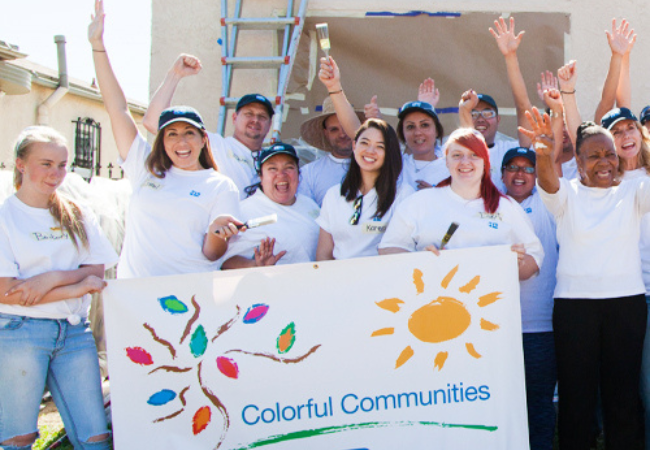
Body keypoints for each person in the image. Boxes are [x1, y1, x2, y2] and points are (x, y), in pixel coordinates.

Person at [526, 109, 650, 450]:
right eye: (594, 155)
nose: (604, 161)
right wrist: (541, 150)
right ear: (578, 163)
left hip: (626, 307)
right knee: (576, 395)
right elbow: (547, 182)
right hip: (574, 309)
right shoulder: (566, 193)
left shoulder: (634, 192)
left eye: (609, 154)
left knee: (622, 395)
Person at [89, 0, 241, 278]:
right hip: (135, 296)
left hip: (188, 299)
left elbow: (213, 255)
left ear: (203, 139)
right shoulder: (144, 171)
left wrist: (217, 231)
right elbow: (117, 108)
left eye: (188, 134)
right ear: (162, 140)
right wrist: (98, 45)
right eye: (171, 134)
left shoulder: (220, 186)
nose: (181, 143)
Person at [0, 126, 118, 450]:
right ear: (20, 164)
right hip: (18, 332)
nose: (56, 173)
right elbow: (6, 291)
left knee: (95, 437)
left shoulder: (77, 213)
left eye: (62, 164)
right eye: (46, 163)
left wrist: (49, 279)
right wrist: (74, 288)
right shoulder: (6, 216)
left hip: (74, 334)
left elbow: (95, 269)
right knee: (19, 439)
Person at [378, 127, 542, 279]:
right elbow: (388, 248)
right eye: (457, 155)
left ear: (485, 162)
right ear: (446, 161)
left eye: (474, 155)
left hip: (489, 306)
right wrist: (419, 261)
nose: (465, 162)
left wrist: (516, 263)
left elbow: (534, 256)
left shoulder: (507, 207)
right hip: (431, 305)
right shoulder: (418, 202)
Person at [142, 55, 274, 199]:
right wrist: (175, 75)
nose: (255, 120)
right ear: (234, 118)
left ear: (270, 124)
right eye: (249, 114)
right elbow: (153, 122)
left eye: (262, 116)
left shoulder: (274, 160)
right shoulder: (217, 146)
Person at [501, 146, 558, 450]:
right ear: (502, 174)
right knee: (500, 405)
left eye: (528, 168)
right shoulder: (489, 205)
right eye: (512, 167)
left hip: (540, 327)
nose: (519, 173)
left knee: (538, 404)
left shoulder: (550, 204)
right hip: (495, 329)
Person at [315, 118, 413, 260]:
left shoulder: (403, 194)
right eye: (364, 143)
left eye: (380, 146)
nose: (370, 151)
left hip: (384, 278)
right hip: (339, 279)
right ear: (354, 146)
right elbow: (324, 254)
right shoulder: (334, 194)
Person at [222, 143, 320, 268]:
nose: (281, 174)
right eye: (272, 169)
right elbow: (226, 262)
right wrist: (256, 265)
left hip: (314, 283)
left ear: (298, 174)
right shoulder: (244, 211)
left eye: (289, 167)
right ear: (261, 177)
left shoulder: (310, 205)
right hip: (273, 286)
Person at [298, 97, 364, 206]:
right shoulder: (309, 174)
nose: (342, 134)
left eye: (346, 127)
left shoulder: (376, 165)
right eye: (334, 129)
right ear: (325, 133)